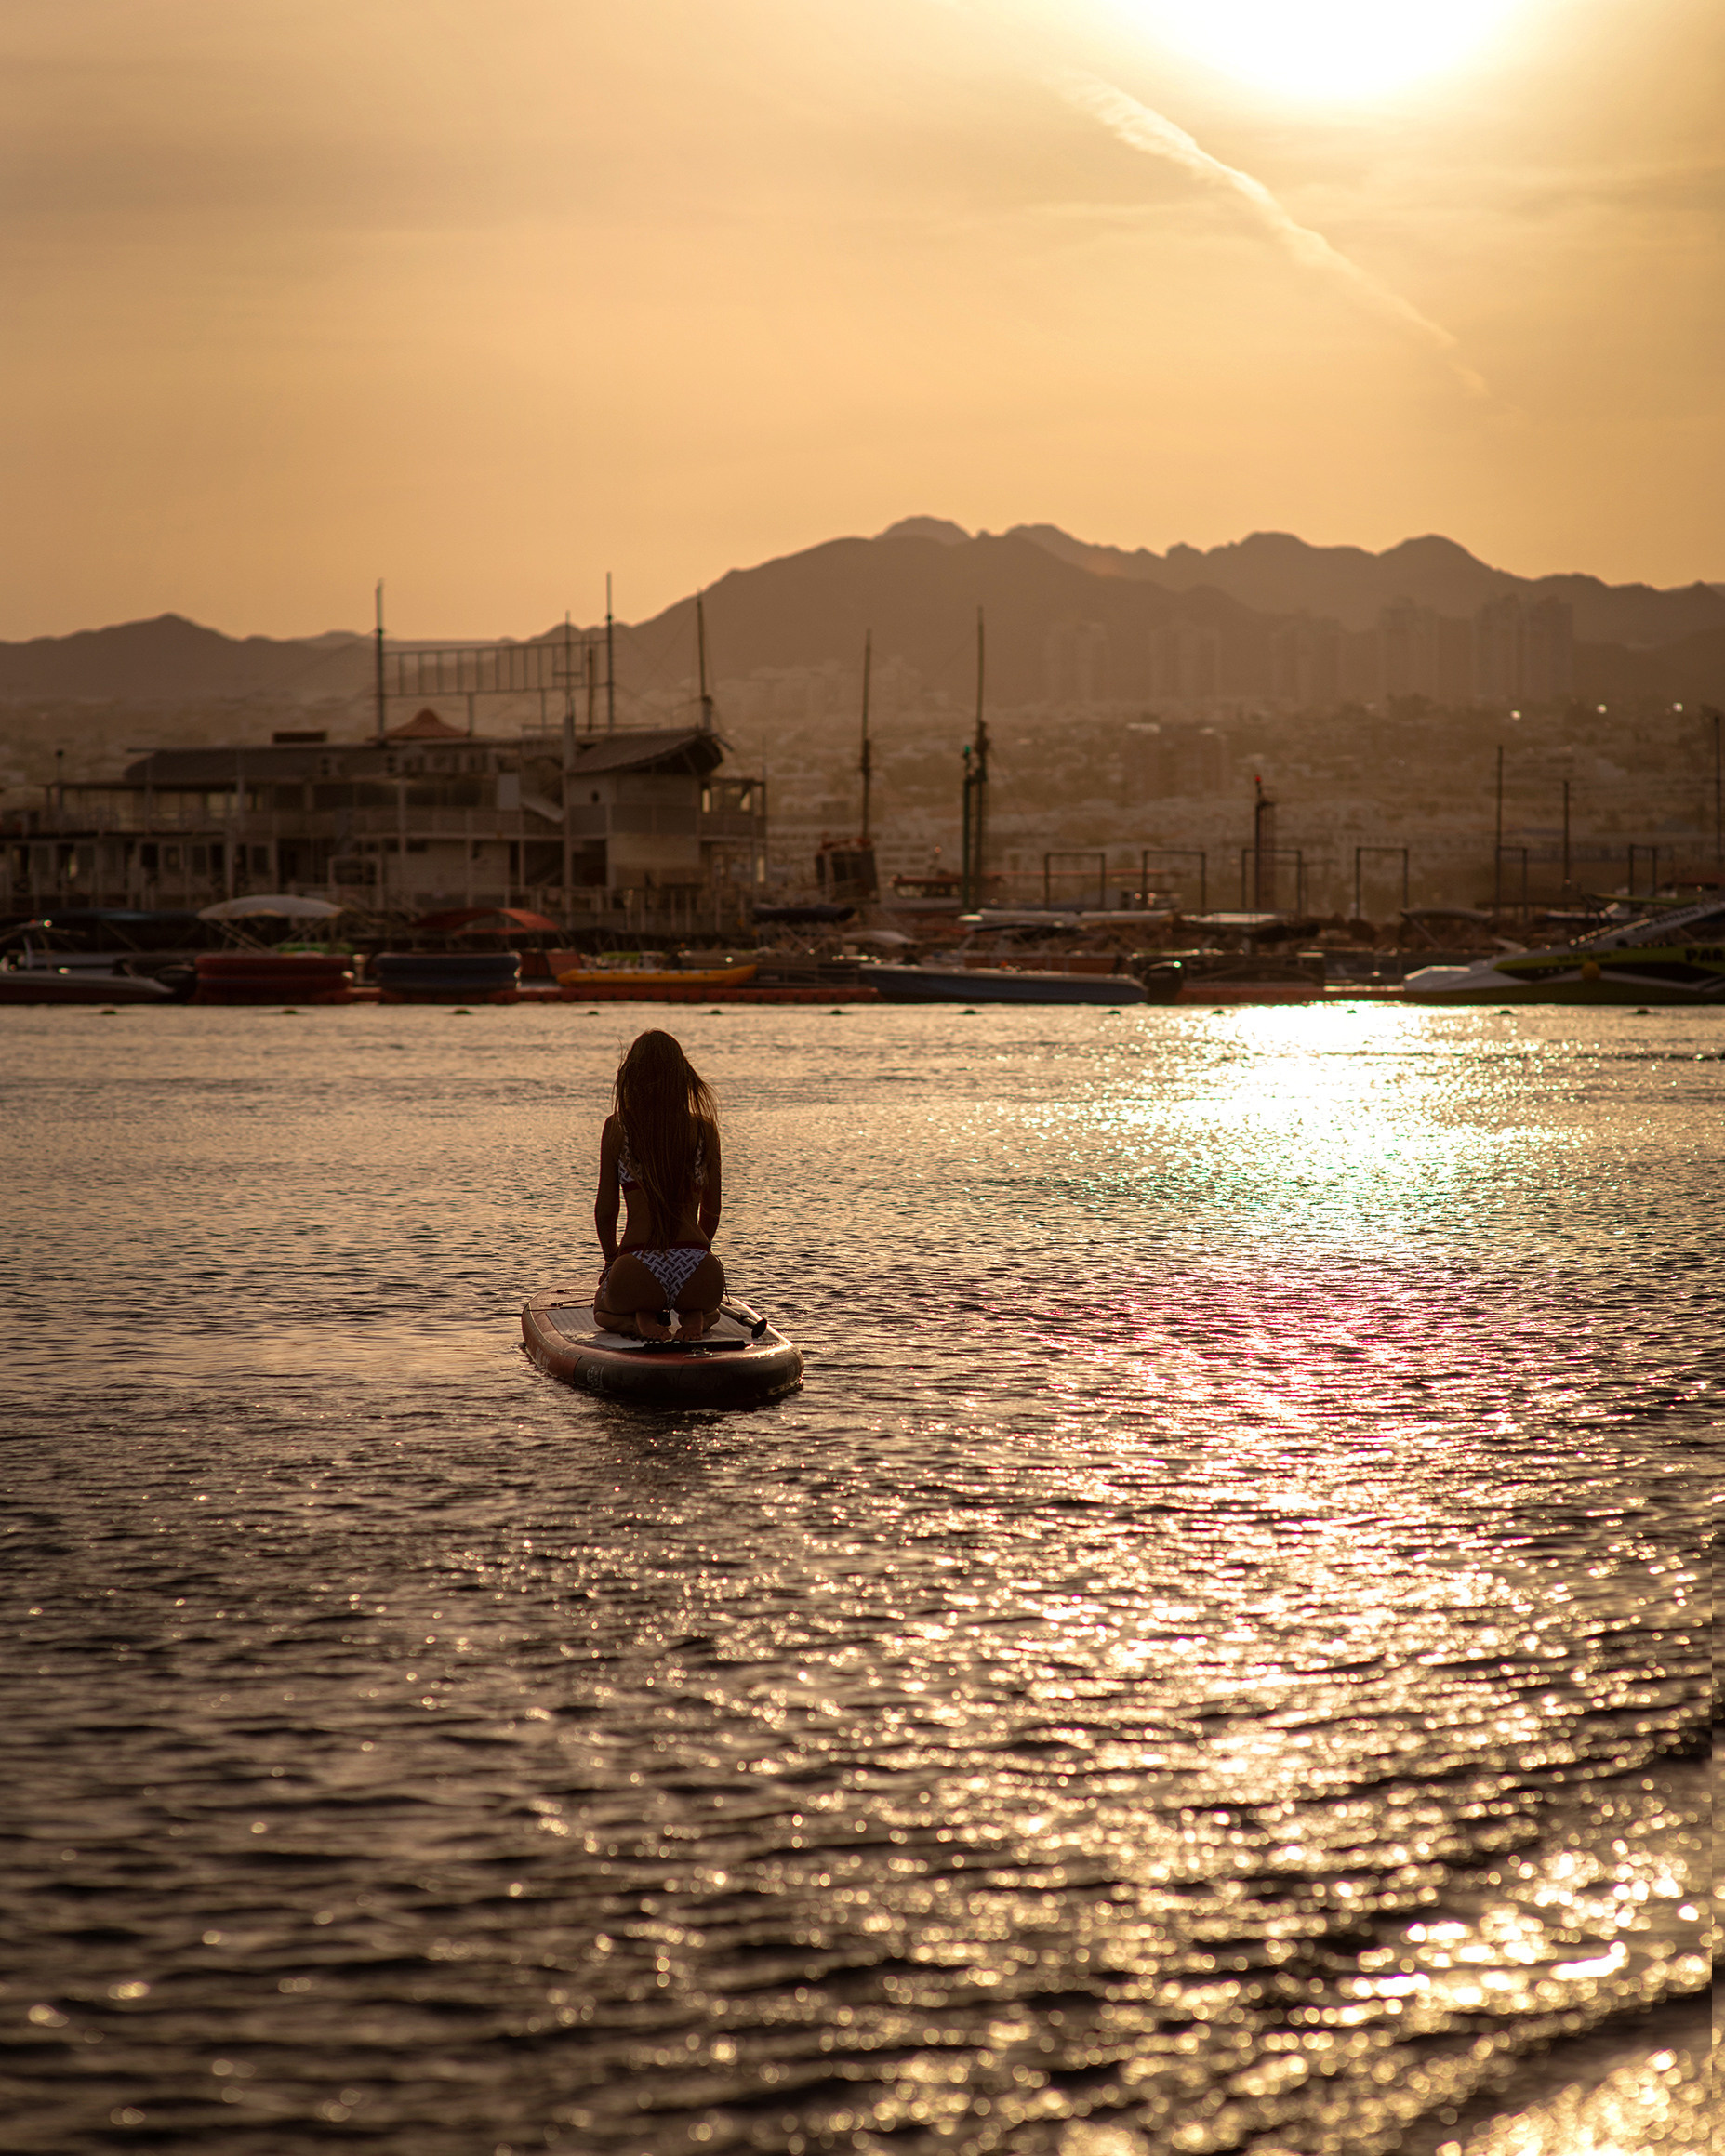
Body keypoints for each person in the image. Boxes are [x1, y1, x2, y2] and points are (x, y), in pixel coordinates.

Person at [593, 1029, 724, 1341]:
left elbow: (606, 1210)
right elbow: (712, 1208)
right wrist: (699, 1249)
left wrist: (611, 1259)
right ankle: (695, 1320)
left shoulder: (618, 1127)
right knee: (714, 1311)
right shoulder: (704, 1130)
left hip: (636, 1261)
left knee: (601, 1310)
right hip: (698, 1264)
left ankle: (639, 1321)